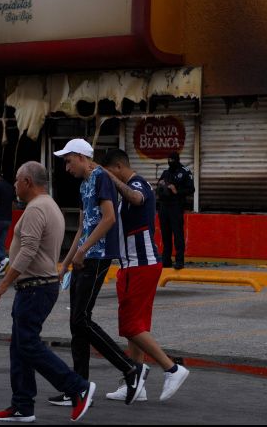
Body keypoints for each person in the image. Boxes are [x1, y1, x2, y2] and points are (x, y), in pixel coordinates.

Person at [0, 161, 96, 423]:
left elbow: (28, 250)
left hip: (35, 288)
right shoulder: (50, 205)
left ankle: (76, 387)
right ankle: (23, 405)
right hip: (38, 287)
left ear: (27, 182)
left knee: (27, 344)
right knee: (19, 347)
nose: (14, 184)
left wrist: (3, 284)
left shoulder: (37, 209)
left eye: (16, 179)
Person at [50, 138, 148, 407]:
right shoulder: (84, 185)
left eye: (68, 161)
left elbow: (109, 219)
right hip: (84, 258)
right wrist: (66, 263)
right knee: (76, 324)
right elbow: (81, 229)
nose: (66, 168)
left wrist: (83, 253)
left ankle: (130, 368)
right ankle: (79, 388)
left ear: (82, 157)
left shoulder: (101, 179)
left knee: (81, 319)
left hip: (98, 256)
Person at [103, 149, 190, 401]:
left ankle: (171, 368)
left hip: (140, 264)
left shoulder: (136, 184)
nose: (107, 180)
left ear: (118, 167)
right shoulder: (127, 187)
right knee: (136, 326)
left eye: (109, 174)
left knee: (131, 326)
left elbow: (137, 198)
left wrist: (112, 180)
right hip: (134, 265)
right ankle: (135, 383)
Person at [156, 152, 194, 270]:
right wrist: (161, 185)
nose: (170, 162)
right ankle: (166, 260)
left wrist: (176, 190)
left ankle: (179, 261)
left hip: (176, 206)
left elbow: (191, 189)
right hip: (164, 207)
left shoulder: (184, 172)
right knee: (165, 235)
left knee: (178, 235)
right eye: (169, 159)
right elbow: (159, 188)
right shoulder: (166, 173)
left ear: (177, 160)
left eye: (172, 159)